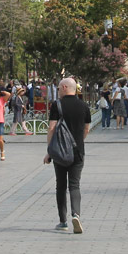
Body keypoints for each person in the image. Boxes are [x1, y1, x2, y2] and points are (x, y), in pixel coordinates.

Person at [44, 77, 92, 234]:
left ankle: (63, 221)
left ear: (65, 87)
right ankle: (76, 214)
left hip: (60, 152)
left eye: (59, 88)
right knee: (75, 185)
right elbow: (87, 129)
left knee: (61, 185)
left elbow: (51, 128)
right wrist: (78, 142)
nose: (58, 91)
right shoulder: (84, 106)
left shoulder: (57, 105)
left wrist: (49, 151)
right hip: (78, 152)